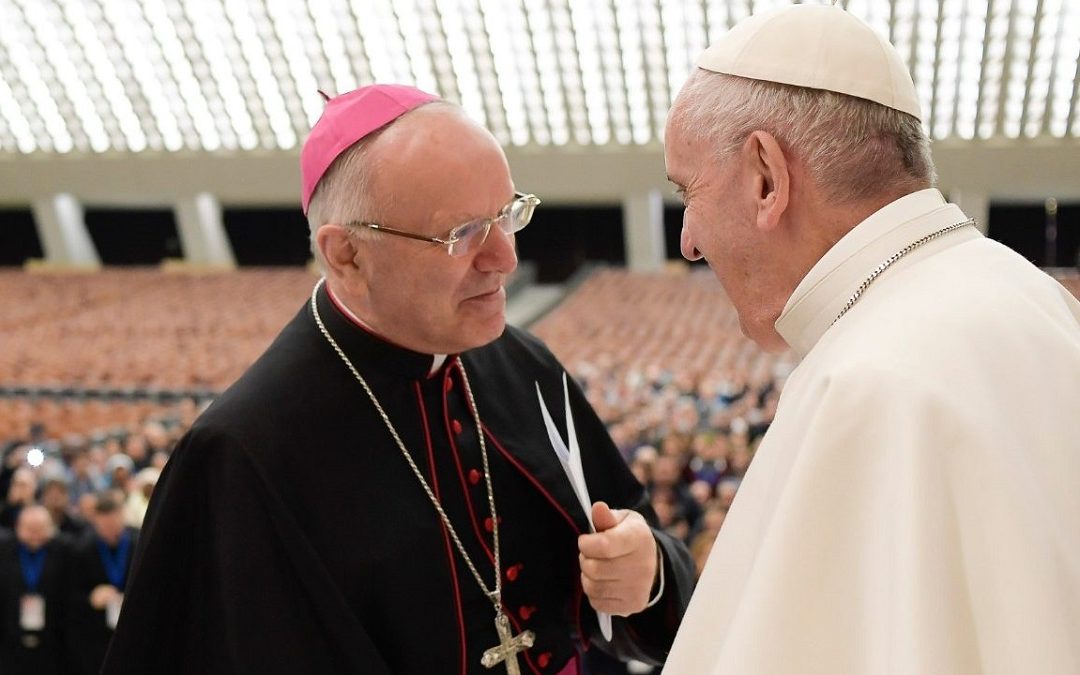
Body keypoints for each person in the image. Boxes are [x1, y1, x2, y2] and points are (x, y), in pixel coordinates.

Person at [103, 84, 693, 674]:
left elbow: (639, 555)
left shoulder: (523, 364)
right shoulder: (241, 454)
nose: (505, 259)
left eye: (508, 213)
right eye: (462, 233)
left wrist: (647, 575)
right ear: (347, 257)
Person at [662, 4, 1080, 673]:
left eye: (689, 191)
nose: (687, 239)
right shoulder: (1037, 297)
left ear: (766, 176)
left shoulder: (865, 383)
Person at [67, 493, 136, 675]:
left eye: (113, 524)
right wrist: (90, 598)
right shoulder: (82, 549)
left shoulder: (138, 543)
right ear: (95, 521)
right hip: (96, 635)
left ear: (122, 516)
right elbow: (68, 594)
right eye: (104, 526)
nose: (110, 531)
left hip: (133, 629)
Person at [0, 505, 69, 675]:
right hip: (9, 640)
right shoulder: (5, 550)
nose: (35, 535)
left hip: (52, 639)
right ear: (18, 527)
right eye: (30, 529)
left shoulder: (64, 551)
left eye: (41, 529)